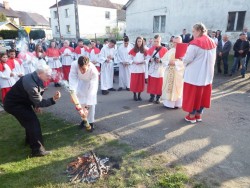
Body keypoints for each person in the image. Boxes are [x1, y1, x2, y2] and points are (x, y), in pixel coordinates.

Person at [4, 64, 61, 157]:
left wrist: (35, 105)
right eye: (47, 74)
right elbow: (40, 101)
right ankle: (37, 150)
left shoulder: (34, 77)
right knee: (32, 122)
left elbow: (35, 96)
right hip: (14, 104)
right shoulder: (31, 84)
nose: (50, 76)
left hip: (21, 102)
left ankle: (30, 140)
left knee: (29, 121)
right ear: (39, 74)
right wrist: (53, 99)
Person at [182, 23, 216, 123]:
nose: (192, 34)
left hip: (194, 75)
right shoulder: (212, 42)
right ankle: (198, 115)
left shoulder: (195, 43)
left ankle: (191, 116)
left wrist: (182, 59)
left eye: (193, 31)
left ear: (199, 31)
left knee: (193, 96)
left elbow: (188, 59)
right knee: (202, 95)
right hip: (206, 74)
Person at [69, 56, 98, 132]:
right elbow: (73, 79)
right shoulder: (74, 65)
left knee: (90, 105)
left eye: (84, 69)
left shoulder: (94, 71)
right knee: (80, 102)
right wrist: (73, 94)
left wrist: (87, 107)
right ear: (78, 65)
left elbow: (92, 92)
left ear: (88, 65)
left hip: (90, 84)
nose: (82, 71)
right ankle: (84, 120)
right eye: (80, 69)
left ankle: (91, 122)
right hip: (80, 82)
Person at [161, 36, 185, 108]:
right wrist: (168, 62)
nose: (175, 44)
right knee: (169, 88)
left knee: (177, 88)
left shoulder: (184, 51)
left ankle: (177, 104)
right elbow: (163, 60)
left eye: (177, 42)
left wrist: (175, 63)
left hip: (178, 73)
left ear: (181, 42)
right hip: (169, 72)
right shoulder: (170, 50)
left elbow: (185, 62)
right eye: (174, 42)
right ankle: (168, 104)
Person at [147, 35, 168, 104]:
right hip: (152, 69)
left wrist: (160, 60)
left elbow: (167, 60)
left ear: (160, 41)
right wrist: (151, 59)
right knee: (152, 84)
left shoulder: (164, 49)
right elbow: (147, 58)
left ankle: (158, 98)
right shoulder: (151, 49)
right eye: (155, 41)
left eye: (157, 41)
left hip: (160, 70)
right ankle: (152, 96)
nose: (156, 43)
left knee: (159, 84)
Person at [128, 36, 148, 101]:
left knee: (140, 83)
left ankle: (139, 95)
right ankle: (134, 95)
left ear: (142, 42)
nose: (139, 42)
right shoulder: (133, 50)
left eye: (140, 41)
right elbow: (129, 59)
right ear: (136, 42)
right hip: (134, 69)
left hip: (141, 69)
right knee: (134, 83)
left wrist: (144, 61)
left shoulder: (144, 50)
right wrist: (133, 62)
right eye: (138, 41)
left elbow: (148, 58)